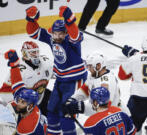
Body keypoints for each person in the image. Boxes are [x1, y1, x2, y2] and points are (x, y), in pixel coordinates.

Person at [25, 5, 87, 135]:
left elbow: (75, 35)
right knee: (51, 112)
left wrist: (69, 19)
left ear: (66, 33)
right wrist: (31, 20)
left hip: (74, 80)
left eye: (61, 34)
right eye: (55, 33)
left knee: (66, 115)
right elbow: (33, 32)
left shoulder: (71, 40)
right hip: (60, 80)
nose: (57, 36)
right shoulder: (52, 37)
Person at [0, 41, 53, 116]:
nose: (36, 55)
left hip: (40, 97)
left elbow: (58, 74)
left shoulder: (46, 62)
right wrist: (19, 104)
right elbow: (4, 92)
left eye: (37, 52)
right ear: (25, 54)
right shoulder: (18, 70)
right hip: (26, 104)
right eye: (32, 52)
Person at [72, 51, 130, 116]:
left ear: (98, 66)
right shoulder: (94, 76)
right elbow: (85, 90)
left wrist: (80, 107)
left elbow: (103, 108)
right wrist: (73, 99)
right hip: (107, 115)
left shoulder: (106, 83)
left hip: (117, 116)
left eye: (90, 66)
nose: (88, 69)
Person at [4, 49, 47, 135]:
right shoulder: (29, 106)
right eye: (20, 100)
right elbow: (18, 84)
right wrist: (14, 64)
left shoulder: (28, 126)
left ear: (30, 106)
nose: (18, 103)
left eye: (22, 102)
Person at [63, 87, 136, 135]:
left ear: (95, 103)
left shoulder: (91, 122)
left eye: (91, 100)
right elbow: (132, 132)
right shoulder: (121, 112)